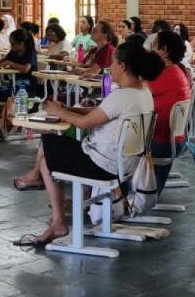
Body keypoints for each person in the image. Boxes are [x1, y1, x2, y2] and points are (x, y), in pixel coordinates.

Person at [12, 40, 161, 246]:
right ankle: (50, 205)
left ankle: (55, 217)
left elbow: (84, 124)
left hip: (103, 165)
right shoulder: (143, 92)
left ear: (123, 66)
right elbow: (99, 114)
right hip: (127, 164)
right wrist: (70, 110)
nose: (110, 67)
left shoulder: (122, 95)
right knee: (49, 156)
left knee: (47, 143)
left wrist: (59, 112)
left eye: (113, 62)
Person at [149, 29, 193, 192]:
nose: (150, 49)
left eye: (153, 45)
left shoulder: (166, 74)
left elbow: (135, 88)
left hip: (161, 142)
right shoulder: (176, 70)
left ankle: (122, 196)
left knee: (116, 141)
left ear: (164, 50)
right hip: (174, 139)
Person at [0, 29, 39, 143]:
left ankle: (7, 127)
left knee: (6, 97)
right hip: (13, 86)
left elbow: (25, 69)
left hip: (26, 88)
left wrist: (11, 64)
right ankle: (6, 125)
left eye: (13, 44)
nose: (11, 46)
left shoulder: (30, 53)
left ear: (21, 43)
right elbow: (3, 61)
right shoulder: (13, 52)